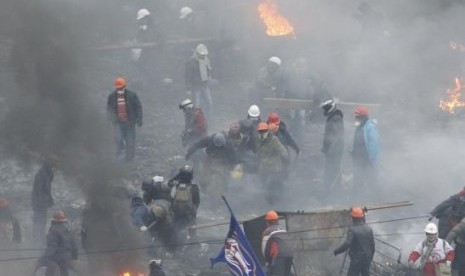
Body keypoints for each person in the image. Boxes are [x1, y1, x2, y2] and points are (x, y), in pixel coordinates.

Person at [107, 77, 143, 161]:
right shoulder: (112, 96)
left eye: (121, 88)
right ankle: (118, 157)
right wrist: (110, 120)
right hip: (118, 123)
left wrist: (139, 119)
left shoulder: (132, 95)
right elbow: (109, 109)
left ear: (124, 86)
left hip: (129, 123)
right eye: (118, 88)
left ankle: (129, 159)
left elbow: (138, 107)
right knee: (118, 140)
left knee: (130, 141)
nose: (120, 89)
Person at [334, 207, 375, 276]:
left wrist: (337, 251)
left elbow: (347, 243)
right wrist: (370, 257)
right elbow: (373, 245)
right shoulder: (369, 229)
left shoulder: (352, 229)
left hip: (357, 259)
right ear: (362, 217)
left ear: (353, 217)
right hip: (367, 258)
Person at [256, 122, 289, 203]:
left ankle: (278, 198)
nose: (262, 133)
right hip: (263, 168)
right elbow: (256, 152)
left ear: (267, 131)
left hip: (274, 167)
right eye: (260, 131)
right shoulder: (258, 140)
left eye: (264, 131)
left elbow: (281, 148)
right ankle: (268, 200)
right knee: (264, 185)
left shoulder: (273, 140)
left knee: (273, 184)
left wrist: (284, 155)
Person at [38, 210, 78, 276]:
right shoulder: (68, 229)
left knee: (50, 267)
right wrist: (74, 257)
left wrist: (44, 259)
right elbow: (74, 245)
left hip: (57, 258)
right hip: (67, 258)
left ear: (54, 219)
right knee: (64, 272)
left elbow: (52, 247)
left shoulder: (53, 230)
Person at [31, 155, 59, 245]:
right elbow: (38, 190)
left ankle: (41, 240)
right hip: (39, 203)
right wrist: (41, 203)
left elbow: (47, 189)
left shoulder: (48, 173)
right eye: (55, 164)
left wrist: (49, 200)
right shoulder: (41, 174)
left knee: (42, 222)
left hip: (43, 202)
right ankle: (38, 241)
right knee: (39, 222)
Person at [351, 106, 379, 191]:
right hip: (358, 159)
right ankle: (358, 197)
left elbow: (374, 144)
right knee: (358, 180)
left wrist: (372, 159)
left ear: (362, 116)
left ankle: (376, 198)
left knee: (371, 180)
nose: (355, 118)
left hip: (367, 159)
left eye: (357, 116)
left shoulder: (370, 127)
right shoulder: (359, 127)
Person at [168, 165, 200, 236]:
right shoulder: (194, 187)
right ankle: (194, 243)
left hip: (177, 214)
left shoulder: (175, 186)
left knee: (175, 231)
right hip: (189, 215)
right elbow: (197, 202)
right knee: (192, 232)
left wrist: (177, 176)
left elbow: (171, 199)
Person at [321, 99, 344, 193]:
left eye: (325, 108)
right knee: (330, 169)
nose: (324, 111)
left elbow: (338, 136)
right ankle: (330, 189)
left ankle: (332, 191)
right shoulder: (332, 117)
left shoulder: (335, 118)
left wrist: (330, 148)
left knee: (333, 170)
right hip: (332, 150)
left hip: (335, 151)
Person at [185, 44, 213, 120]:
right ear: (197, 53)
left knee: (209, 103)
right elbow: (188, 75)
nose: (204, 56)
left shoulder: (206, 60)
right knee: (197, 105)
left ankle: (209, 119)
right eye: (202, 55)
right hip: (196, 86)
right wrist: (188, 88)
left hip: (205, 85)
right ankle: (195, 121)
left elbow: (208, 69)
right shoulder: (191, 62)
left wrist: (209, 76)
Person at [261, 210, 293, 276]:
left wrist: (267, 261)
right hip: (290, 256)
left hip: (278, 257)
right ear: (277, 221)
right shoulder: (283, 230)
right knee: (287, 273)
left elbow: (264, 249)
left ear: (267, 222)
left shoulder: (267, 232)